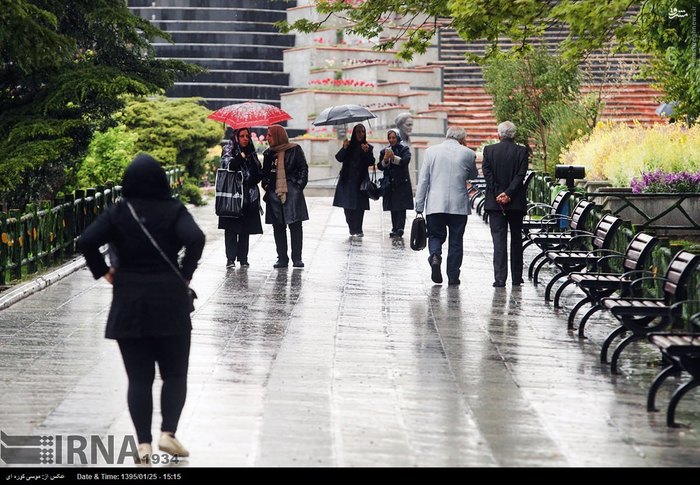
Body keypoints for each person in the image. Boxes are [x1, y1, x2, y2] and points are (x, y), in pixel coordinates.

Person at [77, 154, 205, 463]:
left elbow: (86, 241)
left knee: (139, 378)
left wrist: (105, 271)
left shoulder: (119, 212)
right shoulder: (174, 210)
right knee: (175, 374)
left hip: (129, 301)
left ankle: (143, 444)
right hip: (170, 302)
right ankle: (168, 434)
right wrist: (185, 272)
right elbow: (196, 238)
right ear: (161, 180)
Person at [414, 126, 478, 285]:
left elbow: (423, 181)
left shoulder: (431, 152)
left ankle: (435, 256)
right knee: (456, 240)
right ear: (462, 139)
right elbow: (473, 175)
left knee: (435, 235)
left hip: (436, 204)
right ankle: (453, 276)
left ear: (447, 135)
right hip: (458, 205)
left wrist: (419, 205)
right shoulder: (468, 153)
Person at [482, 121, 529, 288]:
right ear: (513, 135)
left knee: (499, 240)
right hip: (515, 203)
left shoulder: (489, 150)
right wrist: (508, 194)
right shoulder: (522, 151)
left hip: (495, 203)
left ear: (498, 134)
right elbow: (520, 175)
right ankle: (516, 277)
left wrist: (498, 194)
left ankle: (500, 278)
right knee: (516, 239)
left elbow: (488, 175)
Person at [261, 124, 309, 268]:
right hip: (274, 194)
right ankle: (282, 258)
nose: (267, 138)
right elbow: (265, 173)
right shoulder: (268, 153)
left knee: (295, 226)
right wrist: (267, 185)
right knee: (278, 227)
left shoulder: (294, 149)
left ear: (277, 135)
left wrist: (298, 186)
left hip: (292, 193)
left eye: (270, 135)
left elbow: (303, 168)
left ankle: (297, 258)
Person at [218, 127, 263, 268]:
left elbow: (257, 172)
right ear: (236, 137)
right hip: (233, 195)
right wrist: (242, 156)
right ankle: (230, 259)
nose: (245, 138)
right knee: (231, 228)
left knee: (245, 228)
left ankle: (243, 258)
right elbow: (229, 166)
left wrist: (254, 175)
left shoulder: (251, 151)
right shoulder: (228, 149)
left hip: (248, 196)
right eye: (242, 136)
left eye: (247, 136)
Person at [332, 124, 376, 237]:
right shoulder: (349, 145)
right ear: (354, 133)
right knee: (347, 207)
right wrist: (344, 148)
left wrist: (366, 152)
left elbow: (371, 162)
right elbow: (339, 158)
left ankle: (358, 229)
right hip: (347, 180)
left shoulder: (367, 147)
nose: (360, 134)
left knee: (360, 207)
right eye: (358, 132)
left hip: (361, 182)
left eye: (362, 132)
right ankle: (352, 228)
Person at [377, 129, 414, 237]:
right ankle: (395, 227)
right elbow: (380, 166)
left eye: (393, 137)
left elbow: (405, 161)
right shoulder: (385, 151)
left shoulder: (404, 149)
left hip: (401, 182)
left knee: (401, 206)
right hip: (390, 183)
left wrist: (393, 158)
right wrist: (385, 160)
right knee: (393, 206)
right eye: (390, 138)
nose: (392, 140)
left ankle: (400, 227)